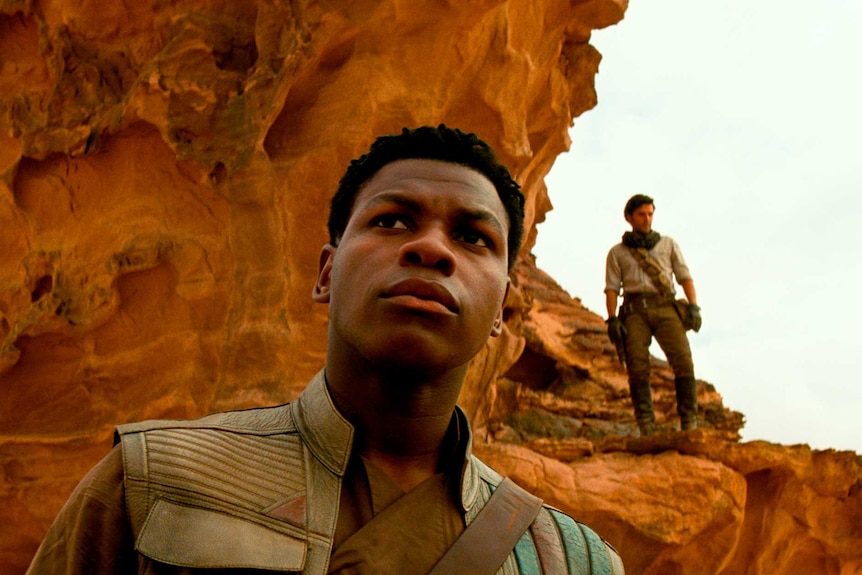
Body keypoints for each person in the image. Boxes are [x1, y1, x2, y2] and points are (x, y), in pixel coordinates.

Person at [27, 125, 624, 574]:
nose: (430, 249)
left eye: (472, 237)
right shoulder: (154, 478)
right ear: (325, 274)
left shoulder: (569, 560)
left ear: (501, 311)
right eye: (392, 221)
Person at [604, 194, 702, 437]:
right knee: (637, 366)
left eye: (650, 214)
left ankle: (689, 421)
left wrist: (694, 306)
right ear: (629, 218)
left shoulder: (667, 244)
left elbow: (684, 276)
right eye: (641, 214)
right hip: (635, 311)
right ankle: (646, 425)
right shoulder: (617, 253)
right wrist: (612, 317)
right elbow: (612, 287)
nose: (647, 219)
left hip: (666, 307)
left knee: (683, 360)